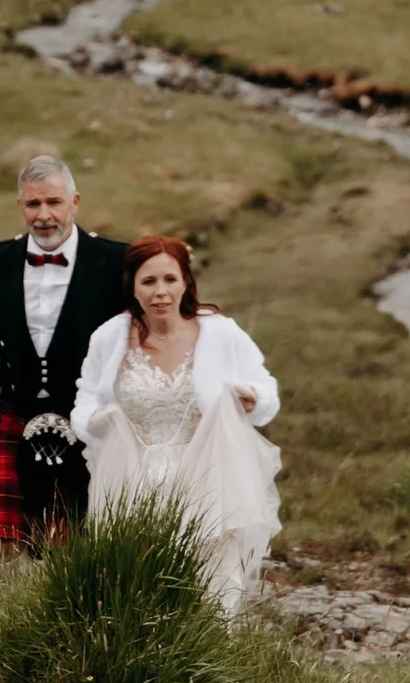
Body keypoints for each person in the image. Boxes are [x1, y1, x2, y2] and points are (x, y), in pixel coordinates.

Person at [0, 155, 129, 555]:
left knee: (69, 544)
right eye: (33, 204)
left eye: (53, 202)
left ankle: (56, 616)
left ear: (75, 201)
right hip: (16, 412)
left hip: (89, 421)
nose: (44, 215)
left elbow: (143, 339)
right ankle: (6, 613)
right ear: (20, 205)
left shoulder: (114, 260)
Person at [71, 233, 281, 613]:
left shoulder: (219, 332)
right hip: (133, 478)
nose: (161, 292)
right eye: (149, 282)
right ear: (133, 288)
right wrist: (97, 422)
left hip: (207, 476)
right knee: (138, 590)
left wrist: (253, 397)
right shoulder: (110, 337)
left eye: (170, 280)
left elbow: (265, 386)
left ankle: (207, 661)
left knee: (211, 587)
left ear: (186, 282)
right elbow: (87, 395)